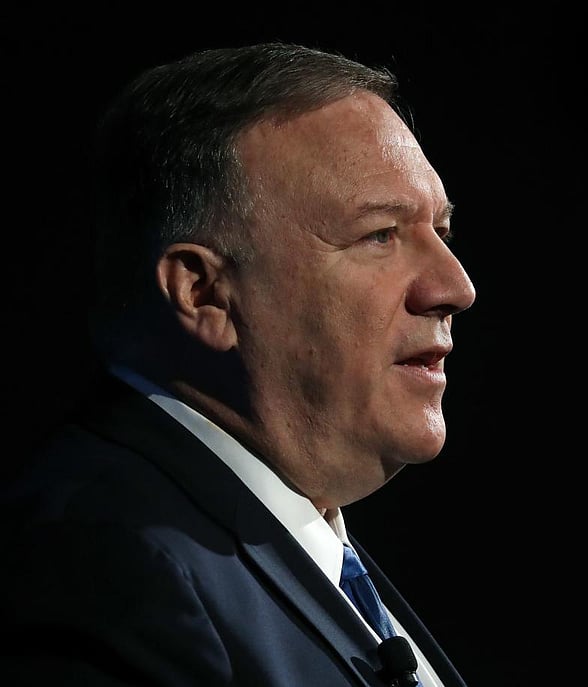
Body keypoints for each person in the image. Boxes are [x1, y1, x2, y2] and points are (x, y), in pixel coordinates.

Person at [0, 41, 475, 686]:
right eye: (379, 236)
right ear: (205, 293)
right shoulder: (107, 563)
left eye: (441, 233)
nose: (454, 287)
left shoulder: (289, 542)